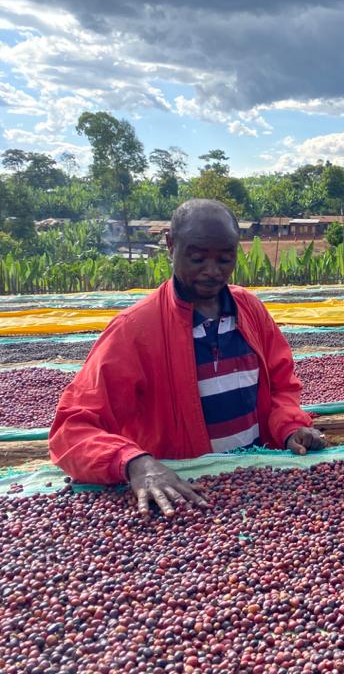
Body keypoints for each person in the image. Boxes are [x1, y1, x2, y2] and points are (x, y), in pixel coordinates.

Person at [50, 199, 325, 516]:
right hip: (181, 494)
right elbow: (72, 429)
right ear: (170, 244)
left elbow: (280, 386)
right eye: (197, 258)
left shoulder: (250, 310)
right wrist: (133, 463)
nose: (212, 271)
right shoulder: (135, 329)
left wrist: (289, 428)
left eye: (225, 259)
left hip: (257, 478)